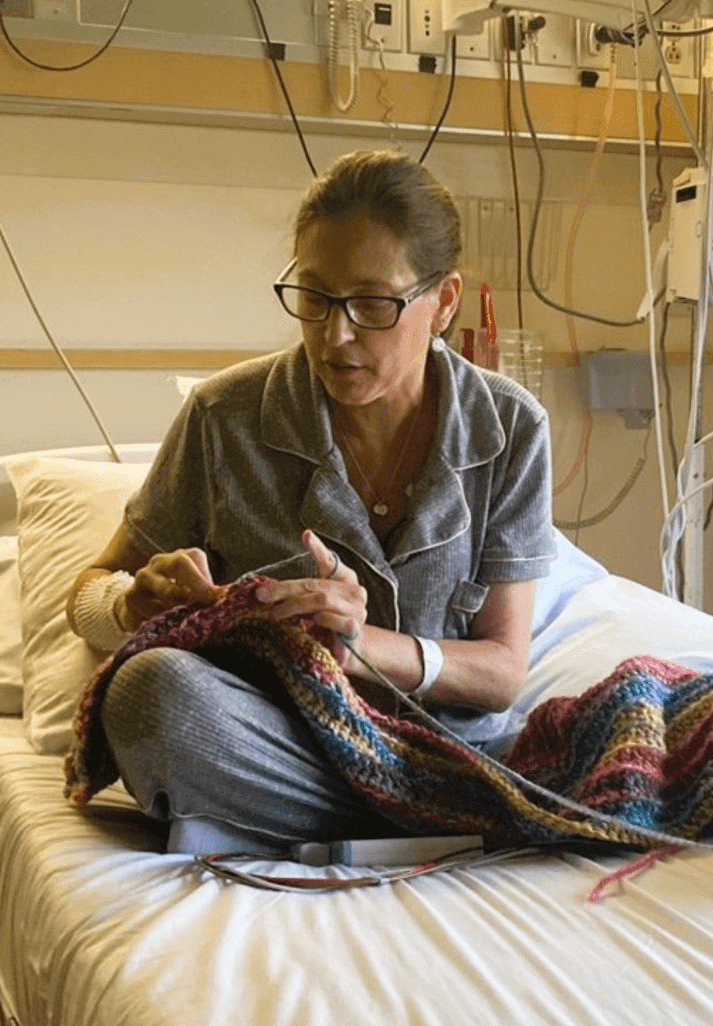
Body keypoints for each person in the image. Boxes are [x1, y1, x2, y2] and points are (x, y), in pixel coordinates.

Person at [63, 149, 555, 856]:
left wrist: (358, 650)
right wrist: (129, 605)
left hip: (436, 751)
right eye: (316, 297)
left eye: (373, 303)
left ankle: (326, 816)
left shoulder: (509, 427)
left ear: (443, 302)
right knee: (149, 693)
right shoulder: (224, 416)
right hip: (278, 738)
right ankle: (425, 824)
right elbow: (86, 594)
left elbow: (502, 671)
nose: (337, 334)